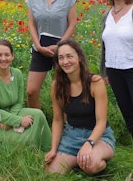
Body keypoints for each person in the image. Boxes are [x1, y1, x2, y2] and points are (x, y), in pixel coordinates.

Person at [45, 39, 115, 175]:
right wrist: (53, 149)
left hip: (99, 135)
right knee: (51, 173)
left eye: (69, 56)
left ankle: (96, 162)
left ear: (79, 57)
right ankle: (78, 158)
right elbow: (58, 120)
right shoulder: (56, 86)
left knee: (91, 165)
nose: (65, 62)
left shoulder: (95, 82)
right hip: (72, 135)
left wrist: (89, 143)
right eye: (61, 58)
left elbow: (101, 122)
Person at [25, 0, 77, 109]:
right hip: (40, 48)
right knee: (31, 91)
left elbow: (72, 23)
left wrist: (60, 46)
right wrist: (38, 46)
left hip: (62, 50)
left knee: (62, 91)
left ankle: (66, 126)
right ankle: (37, 125)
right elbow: (32, 24)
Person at [0, 39, 51, 151]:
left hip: (11, 114)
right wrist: (18, 121)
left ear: (12, 56)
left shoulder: (17, 73)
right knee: (26, 140)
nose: (3, 59)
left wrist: (10, 122)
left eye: (7, 55)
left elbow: (19, 102)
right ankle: (30, 150)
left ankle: (50, 148)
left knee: (38, 114)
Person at [101, 0, 133, 138]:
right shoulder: (107, 14)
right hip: (114, 69)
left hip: (131, 67)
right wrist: (104, 72)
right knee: (126, 109)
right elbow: (104, 47)